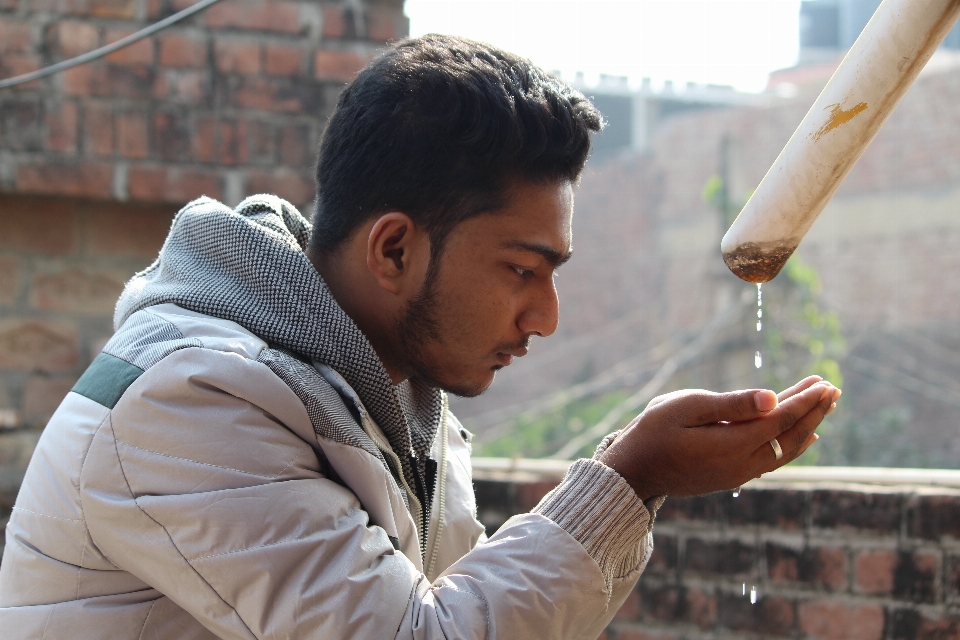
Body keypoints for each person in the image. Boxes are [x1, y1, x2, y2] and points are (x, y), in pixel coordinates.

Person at [0, 35, 839, 639]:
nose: (545, 315)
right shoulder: (191, 400)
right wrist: (631, 475)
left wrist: (635, 482)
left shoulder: (391, 394)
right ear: (394, 248)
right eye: (521, 269)